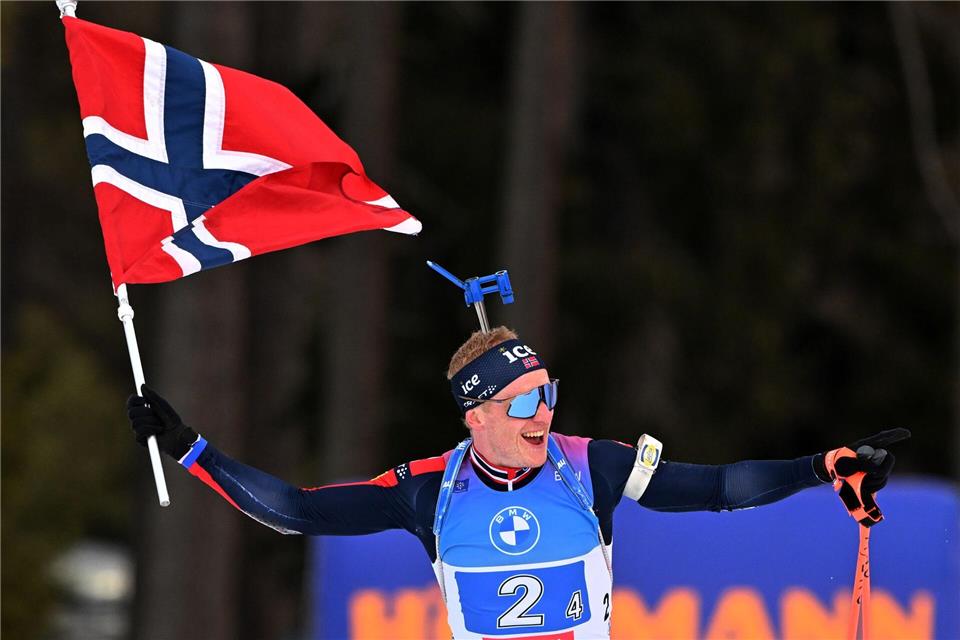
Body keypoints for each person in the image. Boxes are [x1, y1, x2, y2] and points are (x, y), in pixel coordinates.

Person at [128, 326, 909, 640]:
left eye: (549, 392)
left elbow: (717, 488)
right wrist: (189, 448)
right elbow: (296, 512)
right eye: (525, 402)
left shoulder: (589, 465)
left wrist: (821, 466)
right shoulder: (429, 491)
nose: (546, 414)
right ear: (477, 417)